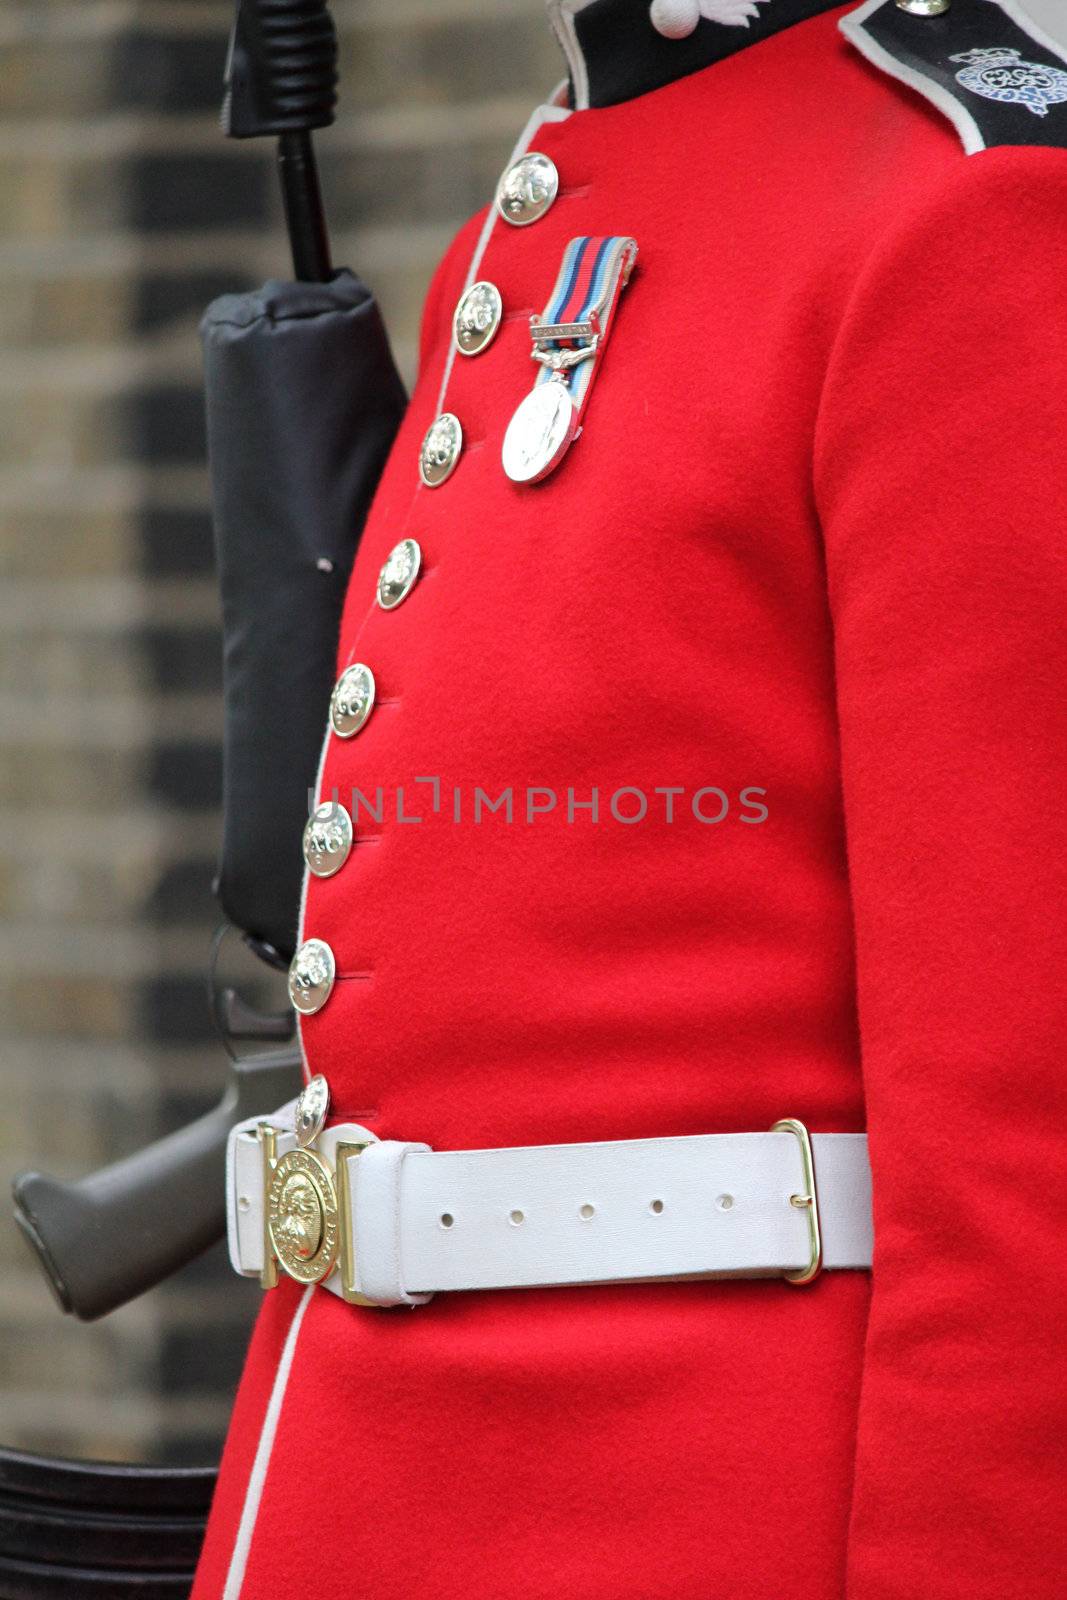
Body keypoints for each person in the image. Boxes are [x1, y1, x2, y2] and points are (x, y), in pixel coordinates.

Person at [193, 2, 1067, 1596]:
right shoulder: (532, 214)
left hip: (696, 1510)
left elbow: (1025, 1138)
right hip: (360, 1480)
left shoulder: (961, 203)